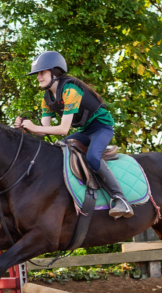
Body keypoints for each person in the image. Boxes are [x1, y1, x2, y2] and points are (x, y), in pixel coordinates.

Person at [14, 51, 133, 219]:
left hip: (101, 128)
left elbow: (63, 130)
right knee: (57, 150)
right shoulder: (47, 97)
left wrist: (35, 127)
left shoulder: (70, 90)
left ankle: (120, 199)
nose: (38, 77)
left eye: (42, 72)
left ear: (54, 72)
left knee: (92, 157)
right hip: (85, 131)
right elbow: (43, 130)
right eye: (37, 74)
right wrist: (25, 127)